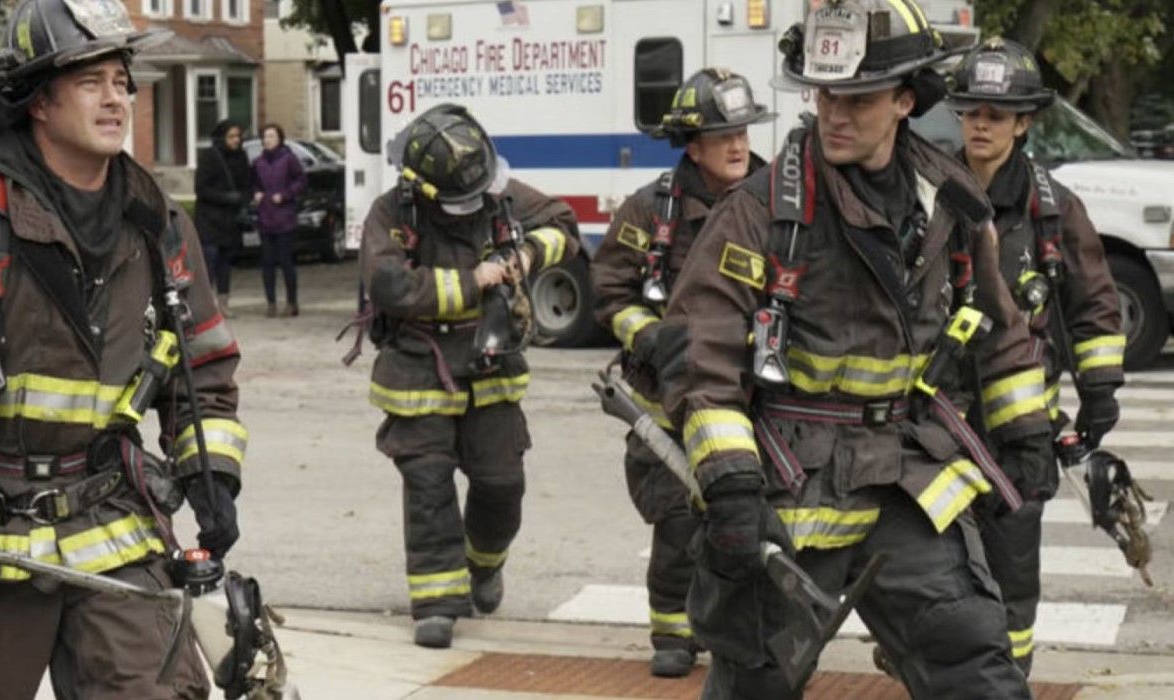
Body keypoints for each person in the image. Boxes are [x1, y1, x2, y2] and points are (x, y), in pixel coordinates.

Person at [0, 1, 244, 697]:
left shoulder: (157, 225)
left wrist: (213, 478)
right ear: (37, 99)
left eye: (122, 81)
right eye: (91, 81)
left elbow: (202, 368)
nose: (116, 98)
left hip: (113, 528)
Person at [656, 1, 1051, 696]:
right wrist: (731, 487)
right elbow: (702, 361)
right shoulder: (760, 212)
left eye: (858, 96)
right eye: (824, 92)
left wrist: (1024, 432)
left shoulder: (947, 201)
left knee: (975, 662)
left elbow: (996, 323)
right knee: (755, 681)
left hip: (903, 477)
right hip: (788, 487)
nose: (834, 111)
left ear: (904, 99)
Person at [360, 103, 578, 648]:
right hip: (419, 370)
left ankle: (484, 565)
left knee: (502, 486)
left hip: (491, 368)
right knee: (429, 489)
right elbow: (389, 285)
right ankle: (437, 602)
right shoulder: (391, 214)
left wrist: (527, 255)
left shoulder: (497, 191)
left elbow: (563, 226)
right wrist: (472, 280)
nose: (475, 205)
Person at [948, 37, 1124, 675]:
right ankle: (939, 667)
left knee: (1012, 567)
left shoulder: (1053, 208)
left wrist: (1099, 390)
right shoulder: (928, 190)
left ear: (1024, 122)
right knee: (935, 570)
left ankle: (1007, 677)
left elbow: (1094, 303)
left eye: (996, 115)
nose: (981, 126)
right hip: (934, 426)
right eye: (971, 112)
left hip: (1020, 434)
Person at [590, 67, 772, 678]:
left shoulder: (780, 202)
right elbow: (611, 293)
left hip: (756, 397)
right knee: (677, 518)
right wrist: (656, 339)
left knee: (748, 519)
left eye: (743, 131)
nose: (739, 144)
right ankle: (673, 628)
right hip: (666, 399)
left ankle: (744, 626)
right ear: (693, 145)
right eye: (724, 134)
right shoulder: (651, 209)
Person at [194, 118, 254, 317]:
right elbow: (201, 189)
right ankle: (206, 304)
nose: (236, 140)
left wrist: (245, 199)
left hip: (231, 220)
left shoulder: (241, 157)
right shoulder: (210, 156)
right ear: (222, 137)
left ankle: (223, 302)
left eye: (238, 136)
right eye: (232, 136)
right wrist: (227, 197)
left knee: (226, 264)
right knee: (209, 262)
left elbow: (247, 185)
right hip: (210, 219)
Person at [251, 123, 306, 317]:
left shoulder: (288, 159)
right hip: (265, 218)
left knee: (286, 262)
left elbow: (300, 181)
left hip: (284, 219)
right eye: (265, 136)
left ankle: (292, 302)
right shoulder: (258, 162)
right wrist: (256, 193)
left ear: (279, 139)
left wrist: (285, 195)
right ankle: (271, 303)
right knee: (267, 262)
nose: (268, 140)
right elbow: (253, 183)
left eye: (272, 136)